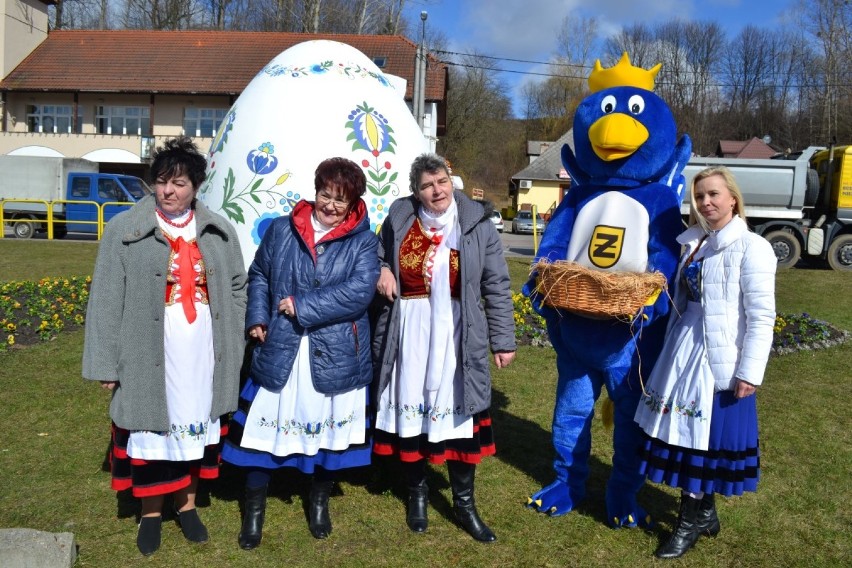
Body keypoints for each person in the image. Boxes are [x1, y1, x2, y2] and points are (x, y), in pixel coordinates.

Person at [82, 137, 248, 556]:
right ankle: (151, 514)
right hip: (149, 350)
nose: (168, 191)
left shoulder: (216, 230)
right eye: (161, 182)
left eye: (178, 183)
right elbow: (105, 297)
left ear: (195, 186)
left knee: (194, 429)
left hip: (203, 352)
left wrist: (233, 330)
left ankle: (188, 506)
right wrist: (106, 362)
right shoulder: (125, 229)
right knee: (152, 430)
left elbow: (236, 286)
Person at [221, 157, 379, 549]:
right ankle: (254, 512)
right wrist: (257, 315)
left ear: (353, 202)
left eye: (340, 200)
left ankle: (319, 503)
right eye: (325, 194)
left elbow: (359, 292)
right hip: (283, 344)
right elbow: (259, 274)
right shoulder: (281, 230)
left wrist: (302, 305)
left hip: (336, 350)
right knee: (263, 431)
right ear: (315, 191)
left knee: (325, 432)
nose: (330, 205)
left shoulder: (364, 240)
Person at [371, 153, 516, 543]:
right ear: (415, 192)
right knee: (413, 415)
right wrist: (383, 269)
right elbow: (377, 253)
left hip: (456, 331)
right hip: (410, 332)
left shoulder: (475, 225)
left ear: (451, 181)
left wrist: (502, 340)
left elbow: (497, 285)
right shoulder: (401, 218)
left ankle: (464, 504)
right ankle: (417, 494)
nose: (436, 190)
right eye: (426, 186)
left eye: (440, 182)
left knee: (459, 418)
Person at [633, 166, 776, 559]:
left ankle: (688, 522)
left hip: (718, 354)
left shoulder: (751, 247)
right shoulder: (696, 243)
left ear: (732, 198)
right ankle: (706, 513)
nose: (705, 203)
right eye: (699, 197)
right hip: (684, 345)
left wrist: (750, 371)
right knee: (688, 433)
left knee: (702, 442)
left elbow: (761, 315)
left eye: (713, 194)